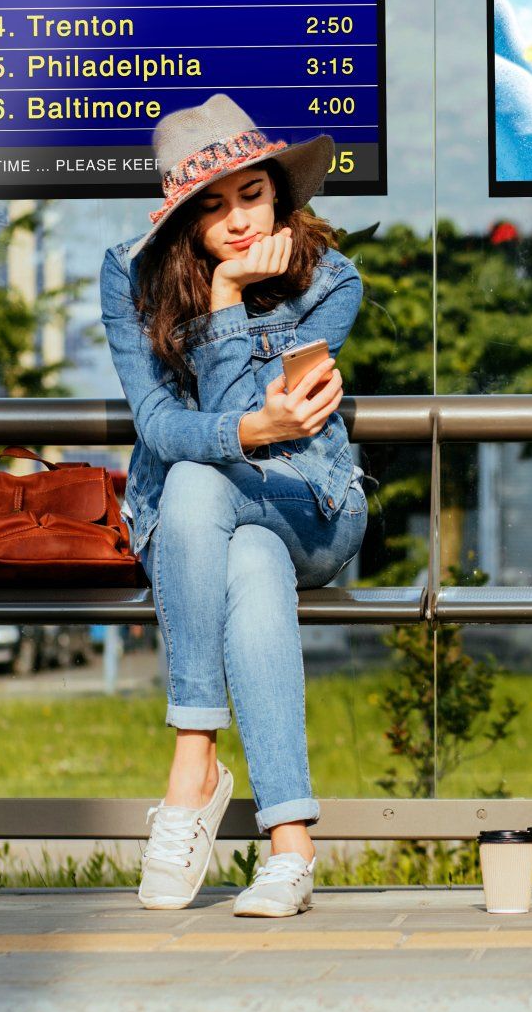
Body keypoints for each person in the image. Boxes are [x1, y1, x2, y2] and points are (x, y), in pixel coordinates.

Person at [100, 94, 367, 919]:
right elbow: (157, 423)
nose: (240, 222)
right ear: (185, 224)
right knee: (241, 550)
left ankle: (192, 767)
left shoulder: (331, 279)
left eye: (251, 194)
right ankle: (291, 847)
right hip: (214, 534)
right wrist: (223, 308)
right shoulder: (131, 276)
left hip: (311, 507)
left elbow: (215, 431)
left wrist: (224, 310)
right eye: (212, 209)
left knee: (196, 478)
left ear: (278, 193)